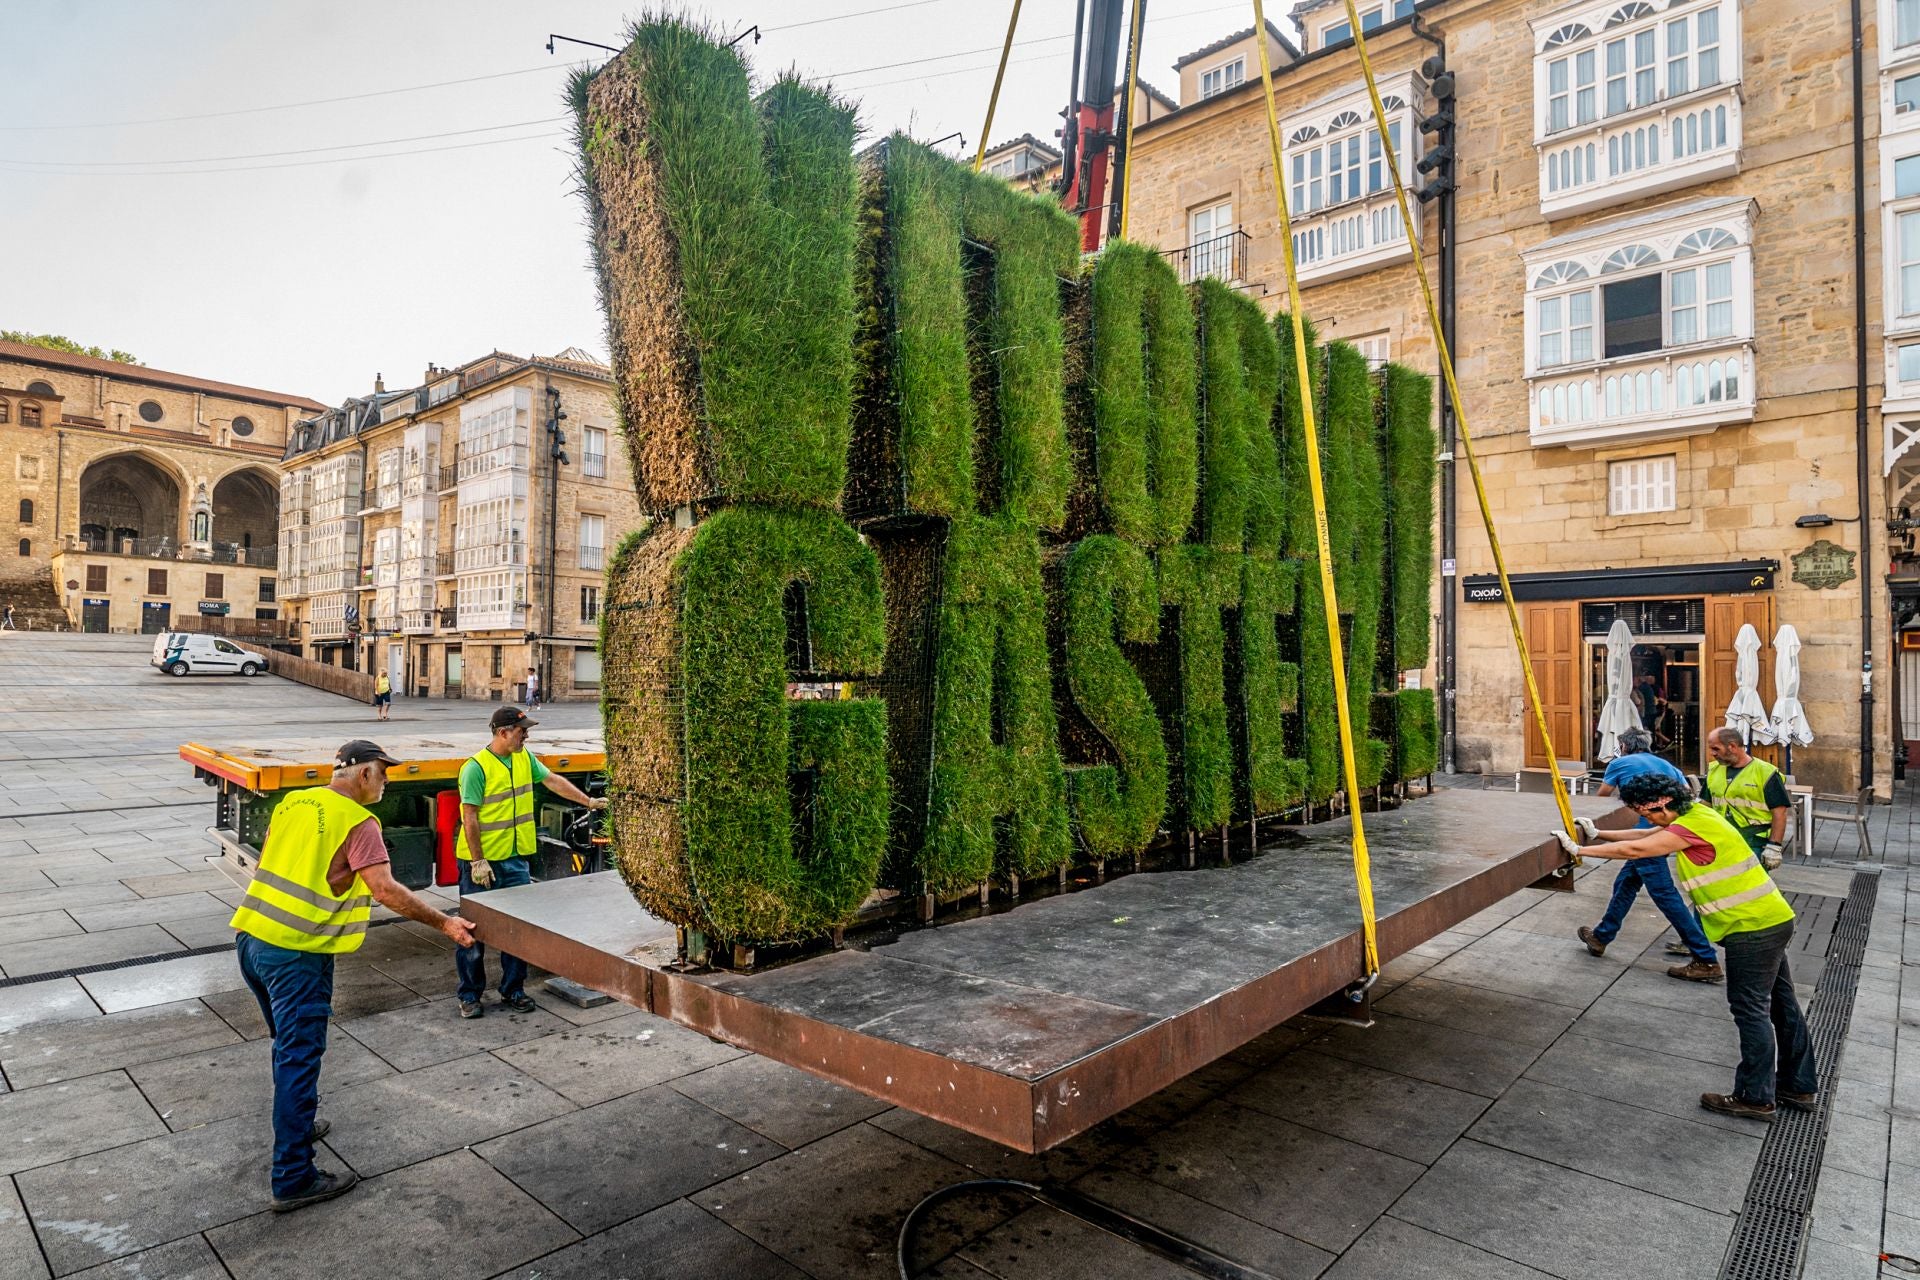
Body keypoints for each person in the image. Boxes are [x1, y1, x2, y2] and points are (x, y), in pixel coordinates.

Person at [229, 740, 478, 1211]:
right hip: (297, 955)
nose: (386, 783)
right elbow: (384, 889)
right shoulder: (359, 821)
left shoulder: (292, 802)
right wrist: (445, 922)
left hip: (250, 940)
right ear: (364, 774)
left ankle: (300, 1125)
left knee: (286, 1048)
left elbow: (273, 865)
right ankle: (293, 1176)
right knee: (299, 1058)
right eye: (384, 774)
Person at [1558, 772, 1816, 1120]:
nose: (1645, 817)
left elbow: (1638, 848)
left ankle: (1755, 1097)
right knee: (1782, 1006)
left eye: (1645, 811)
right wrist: (1597, 833)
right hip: (1771, 918)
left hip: (1751, 930)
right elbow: (1646, 835)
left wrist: (1579, 851)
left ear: (1662, 804)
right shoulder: (1696, 814)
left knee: (1750, 1010)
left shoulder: (1691, 826)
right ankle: (1797, 1085)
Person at [454, 706, 605, 1019]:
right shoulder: (475, 768)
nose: (527, 735)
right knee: (472, 931)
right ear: (503, 732)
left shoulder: (524, 758)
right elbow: (469, 817)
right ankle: (469, 995)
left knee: (517, 932)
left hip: (515, 861)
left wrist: (588, 801)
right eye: (522, 730)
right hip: (483, 864)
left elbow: (553, 781)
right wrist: (478, 860)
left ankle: (513, 990)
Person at [1574, 728, 1722, 982]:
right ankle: (1602, 935)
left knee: (1665, 894)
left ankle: (1705, 958)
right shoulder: (1665, 763)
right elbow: (1686, 795)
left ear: (1624, 746)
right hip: (1671, 829)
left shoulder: (1619, 763)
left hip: (1647, 834)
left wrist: (1582, 843)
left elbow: (1600, 800)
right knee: (1626, 883)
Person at [1705, 726, 1791, 869]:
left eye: (1716, 749)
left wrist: (1774, 846)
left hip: (1754, 841)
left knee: (1753, 888)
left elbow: (1779, 812)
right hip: (1721, 839)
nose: (1712, 753)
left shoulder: (1765, 773)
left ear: (1732, 746)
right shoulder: (1714, 771)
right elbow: (1704, 804)